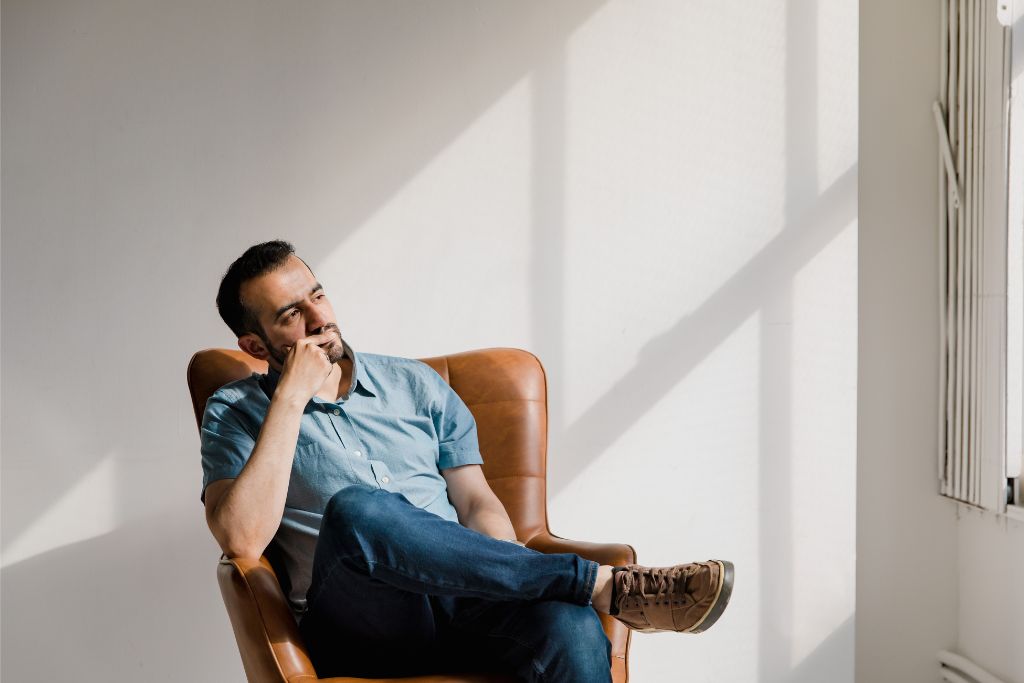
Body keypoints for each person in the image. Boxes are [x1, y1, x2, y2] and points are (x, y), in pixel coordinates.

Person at [200, 240, 734, 681]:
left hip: (465, 603)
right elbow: (240, 539)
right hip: (365, 625)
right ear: (256, 345)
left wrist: (513, 577)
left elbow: (476, 502)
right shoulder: (236, 410)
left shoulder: (414, 384)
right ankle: (603, 584)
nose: (320, 318)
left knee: (569, 624)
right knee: (358, 509)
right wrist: (291, 398)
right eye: (292, 314)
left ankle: (582, 590)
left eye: (318, 295)